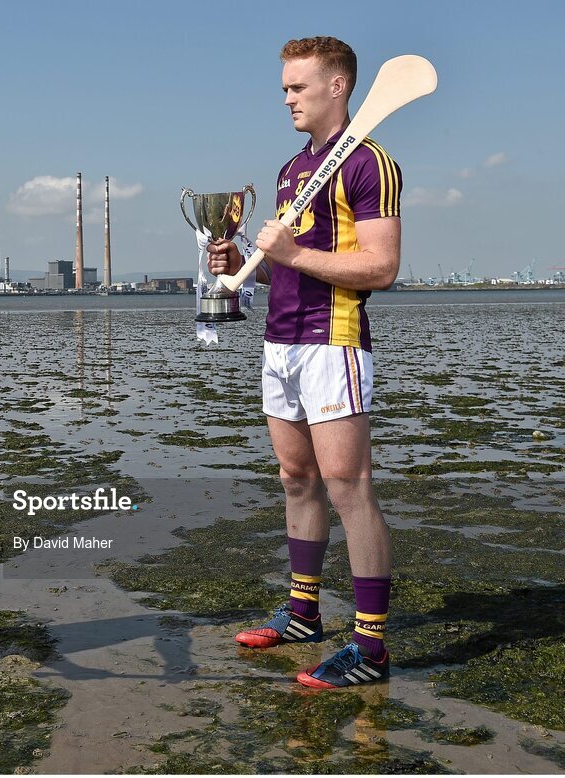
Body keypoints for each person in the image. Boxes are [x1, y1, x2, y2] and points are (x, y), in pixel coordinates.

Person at [208, 36, 402, 689]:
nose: (287, 97)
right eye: (285, 87)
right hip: (280, 340)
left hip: (333, 339)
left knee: (349, 486)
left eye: (298, 86)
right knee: (296, 477)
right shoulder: (295, 168)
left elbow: (381, 266)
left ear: (338, 86)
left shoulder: (370, 163)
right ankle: (302, 616)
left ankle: (371, 650)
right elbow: (283, 266)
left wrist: (289, 254)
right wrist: (241, 269)